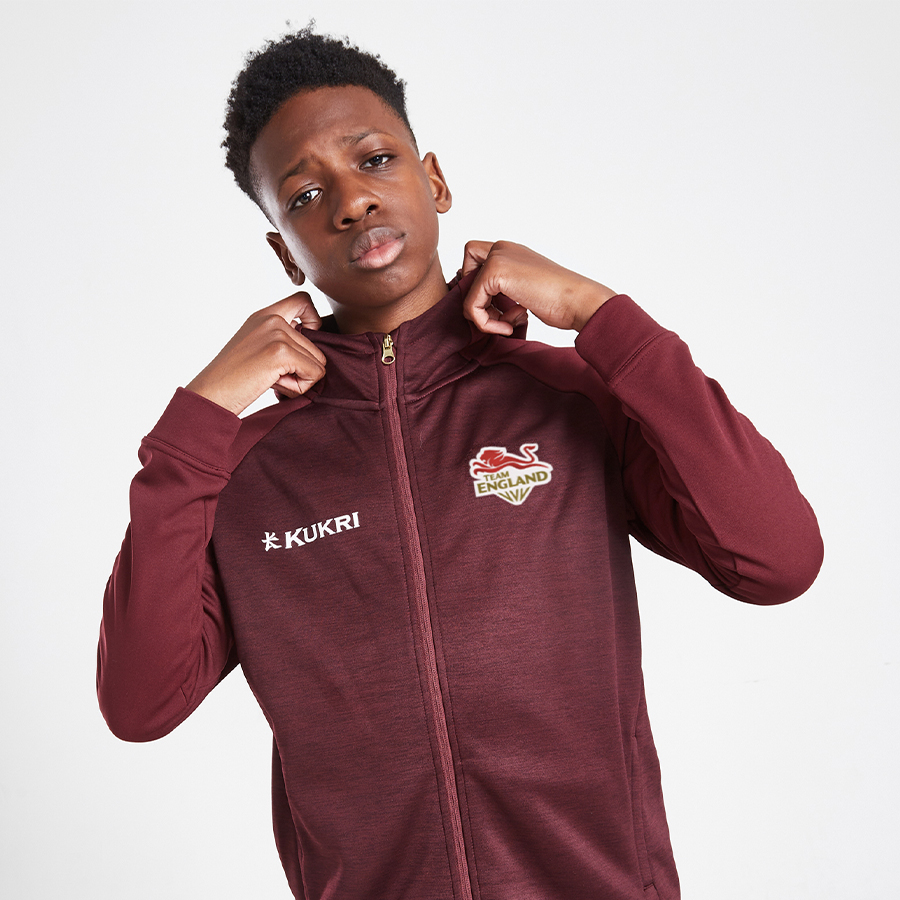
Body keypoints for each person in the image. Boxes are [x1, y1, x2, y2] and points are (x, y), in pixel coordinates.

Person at [97, 27, 823, 900]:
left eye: (374, 160)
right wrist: (198, 423)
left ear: (434, 182)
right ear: (285, 253)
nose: (352, 202)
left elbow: (776, 560)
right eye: (306, 194)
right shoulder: (243, 474)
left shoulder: (568, 397)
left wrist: (602, 317)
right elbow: (140, 704)